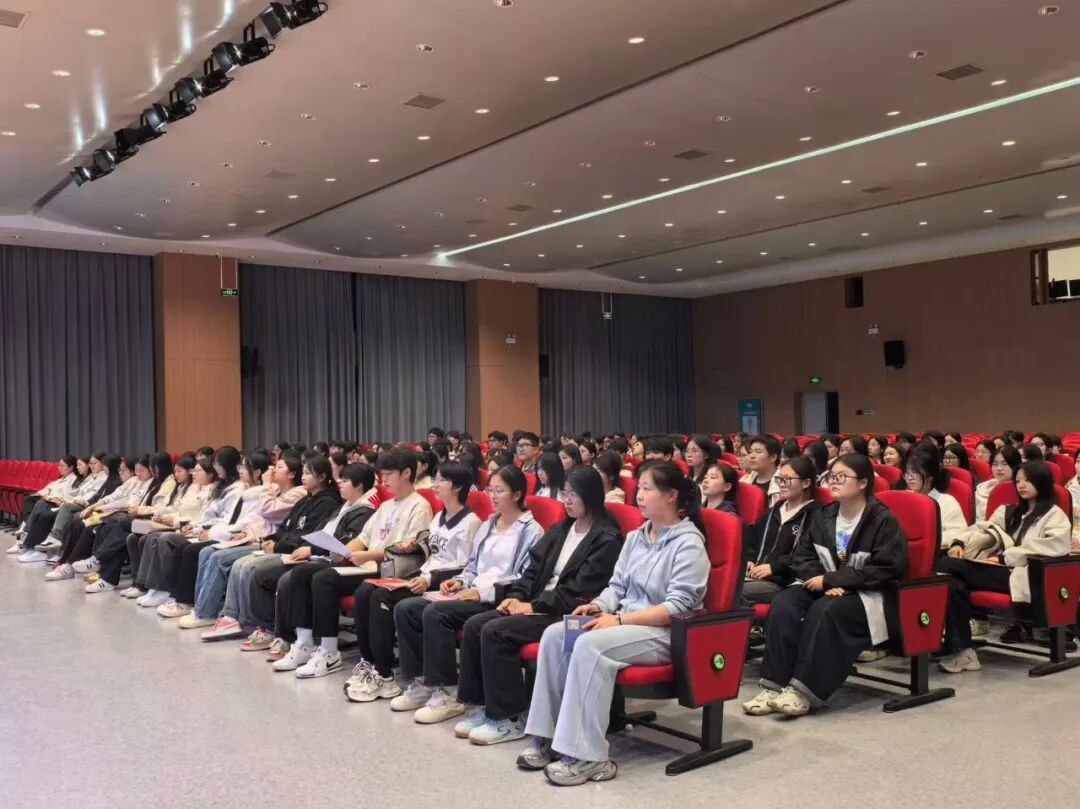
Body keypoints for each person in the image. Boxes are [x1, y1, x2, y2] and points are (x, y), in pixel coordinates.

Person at [518, 461, 708, 786]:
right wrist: (597, 606)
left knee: (590, 645)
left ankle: (589, 757)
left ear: (671, 495)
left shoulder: (689, 543)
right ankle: (547, 737)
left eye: (648, 488)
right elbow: (616, 587)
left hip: (664, 633)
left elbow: (677, 607)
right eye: (640, 488)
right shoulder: (636, 537)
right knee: (555, 635)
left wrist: (618, 618)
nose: (640, 495)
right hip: (623, 623)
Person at [453, 465, 622, 746]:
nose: (566, 500)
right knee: (474, 625)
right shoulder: (562, 529)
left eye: (573, 495)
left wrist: (533, 606)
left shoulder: (606, 538)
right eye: (564, 493)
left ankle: (509, 717)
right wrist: (518, 596)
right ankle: (483, 706)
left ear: (591, 496)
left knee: (496, 631)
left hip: (566, 611)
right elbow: (532, 569)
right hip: (539, 603)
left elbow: (580, 589)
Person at [742, 454, 906, 717]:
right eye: (831, 476)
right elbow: (803, 557)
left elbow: (887, 567)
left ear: (863, 483)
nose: (833, 481)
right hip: (824, 585)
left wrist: (833, 581)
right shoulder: (824, 515)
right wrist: (822, 580)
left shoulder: (883, 520)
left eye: (841, 476)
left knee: (825, 610)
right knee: (784, 603)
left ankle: (803, 691)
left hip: (867, 593)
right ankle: (774, 685)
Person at [389, 465, 541, 724]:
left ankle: (448, 693)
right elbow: (472, 566)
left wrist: (481, 593)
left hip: (497, 598)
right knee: (407, 608)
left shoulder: (531, 531)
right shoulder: (489, 524)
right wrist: (458, 581)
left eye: (499, 491)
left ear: (517, 495)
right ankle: (421, 682)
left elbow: (524, 578)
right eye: (490, 490)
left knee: (436, 613)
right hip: (471, 591)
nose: (492, 496)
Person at [345, 462, 478, 701]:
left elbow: (465, 568)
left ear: (457, 487)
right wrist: (417, 544)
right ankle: (370, 663)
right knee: (366, 590)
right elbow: (433, 550)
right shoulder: (439, 517)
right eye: (436, 479)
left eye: (442, 480)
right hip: (424, 575)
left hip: (442, 582)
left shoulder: (470, 522)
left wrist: (429, 578)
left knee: (382, 597)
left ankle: (384, 674)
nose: (435, 485)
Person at [936, 461, 1073, 672]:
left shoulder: (1055, 516)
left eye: (1027, 480)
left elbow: (1051, 547)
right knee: (954, 585)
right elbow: (981, 527)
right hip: (1003, 573)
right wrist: (959, 542)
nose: (1021, 485)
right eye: (1018, 481)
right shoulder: (1010, 512)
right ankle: (963, 650)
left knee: (946, 564)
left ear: (1042, 482)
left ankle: (958, 646)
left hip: (1028, 577)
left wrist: (1003, 559)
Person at [267, 463, 383, 676]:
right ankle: (304, 643)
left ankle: (329, 651)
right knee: (300, 574)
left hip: (356, 564)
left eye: (345, 480)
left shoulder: (365, 510)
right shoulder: (345, 506)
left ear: (359, 486)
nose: (340, 484)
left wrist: (333, 550)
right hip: (331, 556)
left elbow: (353, 541)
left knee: (319, 578)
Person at [193, 453, 307, 637]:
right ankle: (203, 609)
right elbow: (259, 521)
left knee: (224, 559)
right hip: (259, 538)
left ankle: (230, 617)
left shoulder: (297, 493)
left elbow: (269, 511)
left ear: (292, 474)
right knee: (207, 551)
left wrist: (267, 484)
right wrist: (245, 533)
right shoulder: (276, 491)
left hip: (271, 542)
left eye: (279, 467)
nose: (273, 470)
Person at [131, 449, 244, 604]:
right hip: (197, 527)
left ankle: (167, 590)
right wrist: (192, 525)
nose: (194, 474)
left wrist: (196, 527)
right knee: (148, 538)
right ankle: (148, 586)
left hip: (214, 532)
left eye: (198, 470)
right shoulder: (216, 487)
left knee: (168, 541)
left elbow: (224, 519)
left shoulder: (232, 489)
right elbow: (203, 515)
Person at [743, 456, 821, 606]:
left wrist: (774, 567)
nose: (782, 484)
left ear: (806, 483)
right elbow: (753, 537)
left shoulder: (816, 515)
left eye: (788, 479)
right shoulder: (775, 510)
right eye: (779, 479)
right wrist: (750, 559)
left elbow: (807, 555)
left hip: (784, 582)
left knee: (733, 591)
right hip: (755, 575)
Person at [7, 455, 81, 552]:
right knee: (30, 499)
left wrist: (49, 496)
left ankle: (25, 530)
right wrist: (43, 494)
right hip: (51, 501)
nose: (59, 468)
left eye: (62, 466)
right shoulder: (61, 479)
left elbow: (65, 496)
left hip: (60, 505)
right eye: (59, 465)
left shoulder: (74, 480)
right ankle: (24, 530)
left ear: (71, 467)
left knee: (40, 504)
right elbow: (47, 489)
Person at [903, 446, 967, 546]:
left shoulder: (947, 501)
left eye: (915, 472)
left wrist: (923, 540)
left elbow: (958, 534)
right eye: (907, 472)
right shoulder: (904, 497)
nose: (909, 477)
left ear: (930, 475)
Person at [975, 446, 1021, 522]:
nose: (999, 468)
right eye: (995, 464)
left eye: (1005, 463)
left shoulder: (1021, 489)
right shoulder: (983, 487)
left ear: (1015, 465)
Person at [741, 434, 781, 508]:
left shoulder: (782, 485)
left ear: (773, 457)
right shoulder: (744, 481)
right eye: (750, 452)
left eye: (758, 452)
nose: (752, 456)